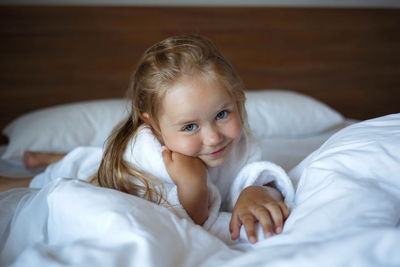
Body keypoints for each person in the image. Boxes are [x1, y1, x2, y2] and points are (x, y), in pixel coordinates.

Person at [2, 34, 294, 244]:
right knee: (51, 177)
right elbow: (185, 225)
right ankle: (46, 162)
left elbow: (249, 174)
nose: (214, 137)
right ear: (154, 126)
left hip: (96, 155)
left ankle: (47, 156)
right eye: (190, 126)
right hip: (92, 170)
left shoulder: (238, 143)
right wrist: (192, 186)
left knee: (86, 154)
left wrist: (257, 190)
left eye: (222, 114)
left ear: (237, 100)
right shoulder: (146, 157)